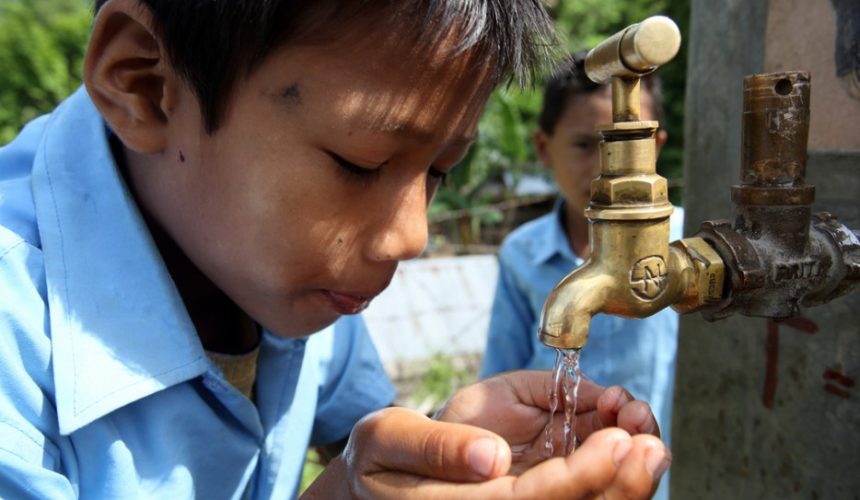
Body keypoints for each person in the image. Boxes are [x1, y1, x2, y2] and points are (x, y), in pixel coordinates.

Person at [0, 2, 671, 498]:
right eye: (357, 162)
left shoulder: (283, 276)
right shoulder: (18, 352)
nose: (412, 236)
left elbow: (358, 445)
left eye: (439, 170)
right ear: (144, 85)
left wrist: (435, 446)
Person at [480, 52, 683, 499]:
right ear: (542, 148)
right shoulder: (522, 254)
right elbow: (498, 375)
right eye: (584, 145)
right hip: (547, 471)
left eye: (623, 147)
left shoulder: (688, 247)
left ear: (657, 147)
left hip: (660, 472)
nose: (604, 166)